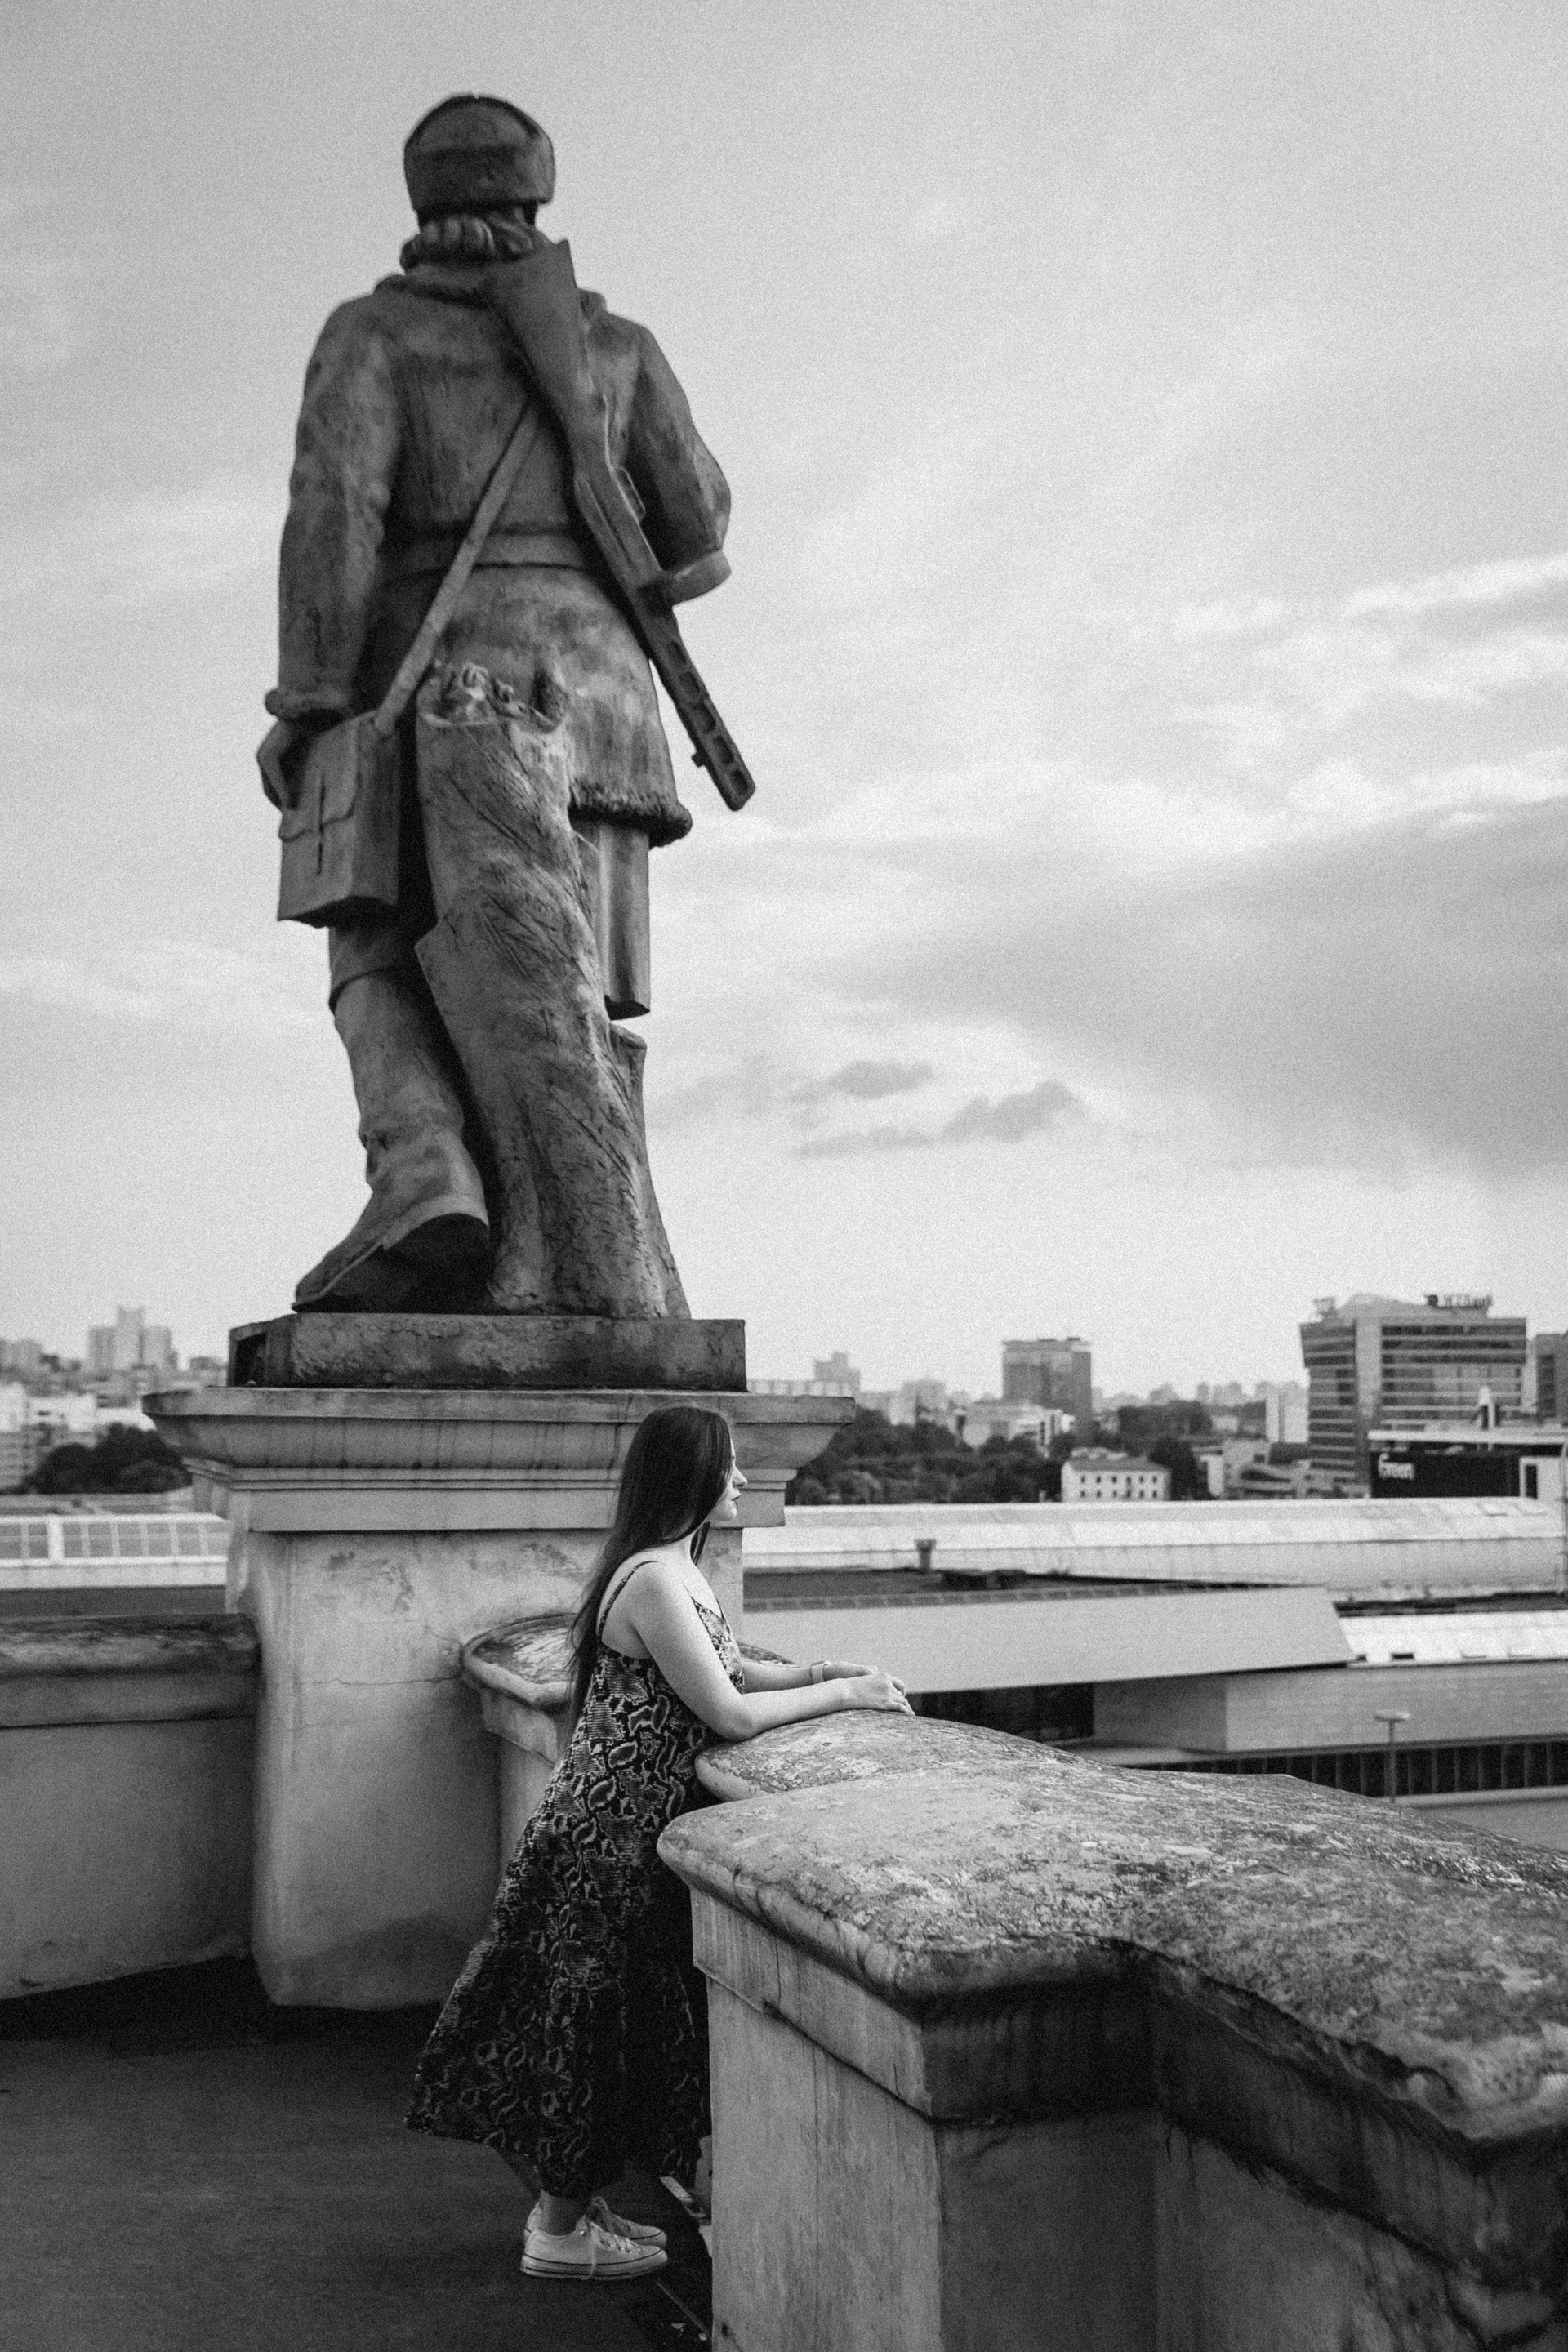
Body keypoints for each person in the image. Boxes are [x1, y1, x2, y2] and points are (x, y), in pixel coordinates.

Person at [258, 93, 732, 1313]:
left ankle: (424, 1170)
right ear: (537, 195)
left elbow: (335, 519)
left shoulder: (373, 335)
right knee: (573, 982)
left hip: (429, 686)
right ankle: (564, 1239)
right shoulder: (620, 348)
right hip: (602, 711)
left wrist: (309, 703)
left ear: (423, 205)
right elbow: (699, 530)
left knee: (373, 936)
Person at [406, 1404, 911, 2283]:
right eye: (728, 1465)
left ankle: (576, 2211)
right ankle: (557, 2233)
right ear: (690, 1476)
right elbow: (730, 1713)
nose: (742, 1479)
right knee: (590, 2031)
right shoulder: (651, 1580)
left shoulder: (674, 1568)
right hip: (606, 1838)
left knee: (610, 2027)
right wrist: (846, 1698)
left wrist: (818, 1671)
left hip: (624, 1832)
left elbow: (733, 1668)